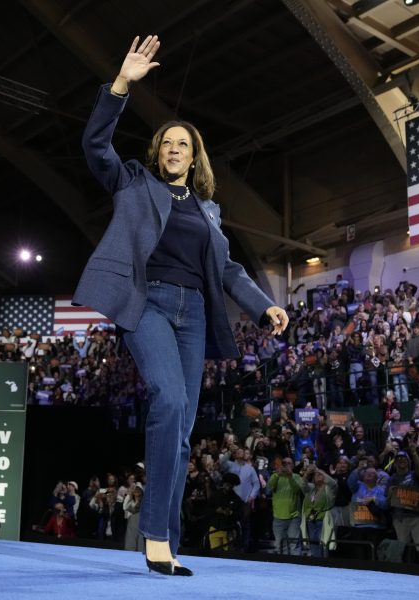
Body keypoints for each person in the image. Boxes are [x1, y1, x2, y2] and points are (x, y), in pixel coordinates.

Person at [73, 35, 289, 577]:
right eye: (167, 143)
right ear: (157, 151)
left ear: (195, 159)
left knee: (186, 427)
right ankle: (153, 536)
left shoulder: (208, 210)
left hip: (195, 314)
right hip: (148, 304)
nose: (174, 149)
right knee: (168, 401)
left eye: (183, 145)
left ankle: (166, 537)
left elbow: (229, 269)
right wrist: (121, 83)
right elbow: (95, 144)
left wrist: (265, 306)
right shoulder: (132, 183)